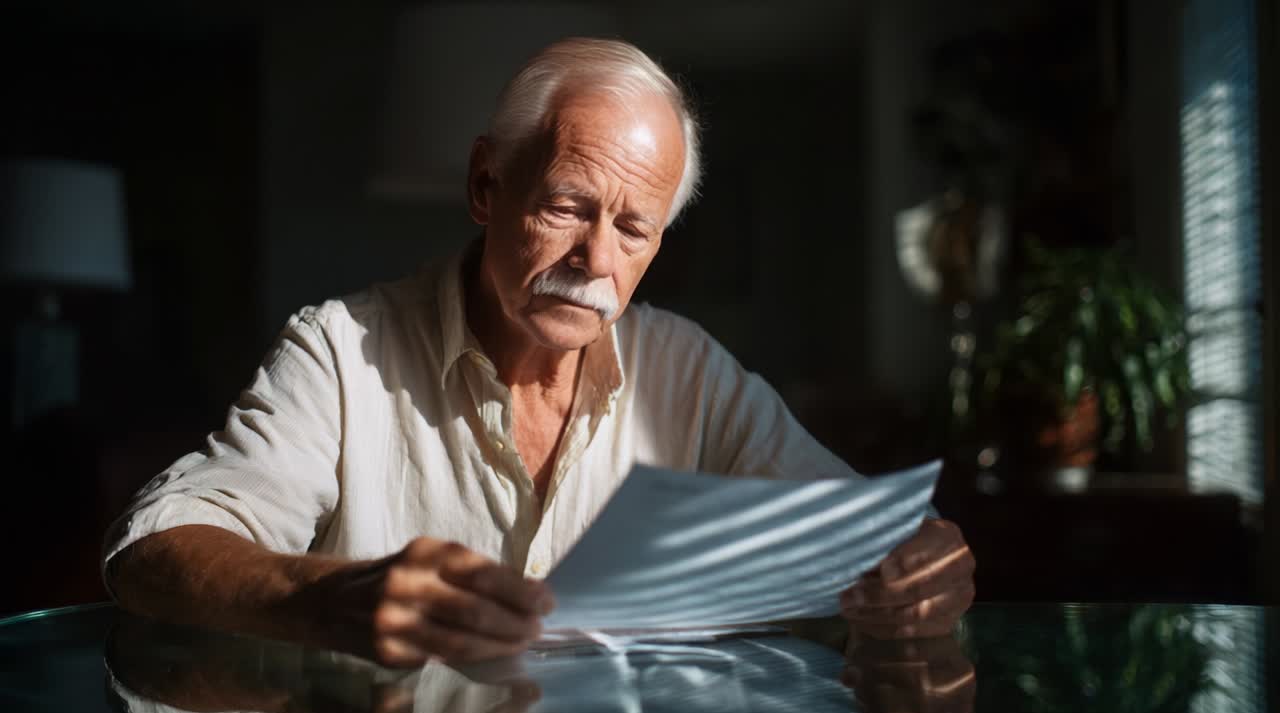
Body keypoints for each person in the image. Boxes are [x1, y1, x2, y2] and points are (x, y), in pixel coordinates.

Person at [104, 37, 975, 669]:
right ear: (488, 184)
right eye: (567, 205)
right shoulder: (340, 352)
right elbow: (155, 551)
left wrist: (915, 563)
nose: (597, 260)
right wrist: (330, 599)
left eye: (635, 228)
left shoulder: (690, 373)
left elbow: (860, 536)